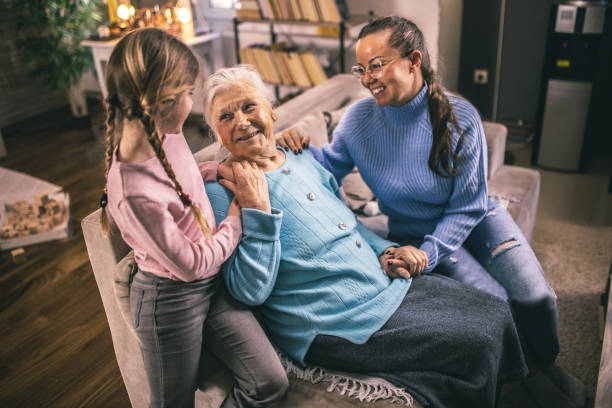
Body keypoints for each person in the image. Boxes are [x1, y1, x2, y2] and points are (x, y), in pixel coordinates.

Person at [202, 65, 528, 408]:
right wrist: (257, 212)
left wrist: (387, 251)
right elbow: (249, 291)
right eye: (225, 116)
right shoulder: (220, 192)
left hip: (382, 283)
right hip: (334, 320)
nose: (240, 121)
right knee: (476, 342)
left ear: (270, 110)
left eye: (248, 106)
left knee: (494, 311)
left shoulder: (300, 157)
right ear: (216, 133)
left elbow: (349, 223)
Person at [278, 16, 559, 368]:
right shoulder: (358, 120)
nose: (367, 80)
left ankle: (546, 374)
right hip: (413, 230)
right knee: (496, 307)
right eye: (361, 69)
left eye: (377, 66)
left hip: (476, 221)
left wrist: (428, 253)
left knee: (537, 299)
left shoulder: (461, 118)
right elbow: (326, 168)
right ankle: (518, 383)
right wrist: (293, 146)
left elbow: (467, 207)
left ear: (414, 61)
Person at [98, 28, 287, 408]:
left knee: (269, 383)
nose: (192, 102)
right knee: (174, 401)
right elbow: (190, 264)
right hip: (171, 300)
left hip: (212, 284)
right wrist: (239, 212)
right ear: (161, 99)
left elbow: (185, 181)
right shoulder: (133, 192)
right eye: (188, 93)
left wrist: (216, 173)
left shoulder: (167, 132)